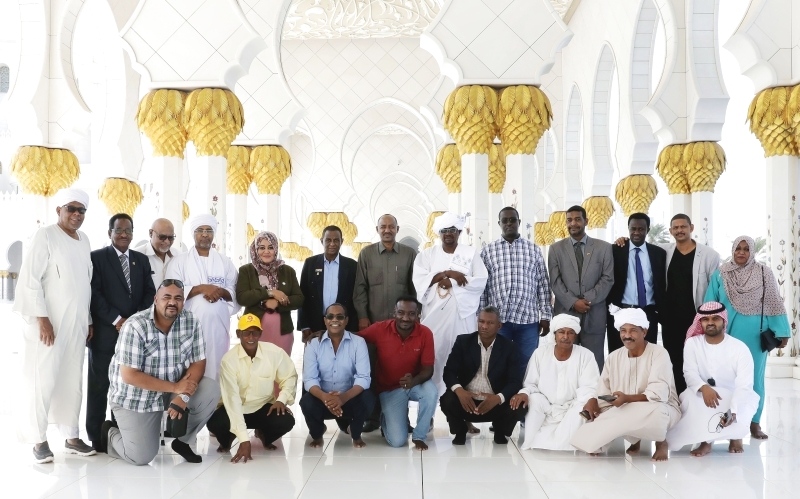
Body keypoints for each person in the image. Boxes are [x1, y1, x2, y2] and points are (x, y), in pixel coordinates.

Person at [14, 188, 96, 462]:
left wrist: (88, 320)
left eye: (81, 210)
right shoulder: (45, 235)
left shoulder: (84, 240)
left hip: (76, 325)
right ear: (59, 210)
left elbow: (84, 284)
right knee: (42, 379)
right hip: (48, 325)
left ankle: (71, 436)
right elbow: (30, 280)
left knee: (72, 380)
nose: (76, 214)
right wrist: (42, 318)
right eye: (71, 208)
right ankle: (38, 440)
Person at [103, 279, 220, 465]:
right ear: (155, 299)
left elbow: (198, 362)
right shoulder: (135, 325)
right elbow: (129, 375)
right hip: (136, 396)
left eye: (178, 298)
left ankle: (183, 442)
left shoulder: (191, 321)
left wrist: (183, 396)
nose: (172, 302)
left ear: (183, 301)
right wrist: (176, 388)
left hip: (172, 387)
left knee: (210, 389)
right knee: (140, 457)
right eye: (167, 297)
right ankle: (110, 434)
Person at [616, 213, 720, 394]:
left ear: (691, 228)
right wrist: (623, 240)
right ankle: (676, 398)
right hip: (670, 318)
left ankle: (697, 398)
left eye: (683, 227)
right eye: (675, 227)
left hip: (695, 318)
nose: (679, 230)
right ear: (671, 231)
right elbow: (639, 243)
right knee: (672, 360)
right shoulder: (664, 251)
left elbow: (715, 288)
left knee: (696, 359)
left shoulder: (709, 255)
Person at [704, 235, 790, 440]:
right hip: (726, 334)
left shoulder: (763, 273)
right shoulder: (721, 274)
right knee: (726, 378)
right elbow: (710, 304)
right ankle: (726, 420)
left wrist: (782, 331)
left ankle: (754, 422)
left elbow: (773, 302)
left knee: (754, 379)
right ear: (733, 250)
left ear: (752, 252)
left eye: (746, 249)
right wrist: (708, 328)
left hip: (755, 335)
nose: (741, 252)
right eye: (738, 248)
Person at [570, 306, 680, 462]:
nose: (627, 336)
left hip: (657, 406)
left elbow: (658, 394)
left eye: (633, 330)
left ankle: (661, 442)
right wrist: (593, 400)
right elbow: (603, 392)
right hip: (624, 408)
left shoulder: (659, 353)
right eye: (623, 331)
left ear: (644, 332)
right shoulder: (614, 357)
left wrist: (627, 398)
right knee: (591, 443)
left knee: (659, 413)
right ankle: (634, 438)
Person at [87, 213, 156, 451]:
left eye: (128, 230)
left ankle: (121, 434)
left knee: (126, 386)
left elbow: (150, 293)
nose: (124, 234)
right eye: (119, 230)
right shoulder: (97, 258)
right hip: (105, 333)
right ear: (110, 233)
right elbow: (94, 294)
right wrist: (117, 319)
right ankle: (96, 437)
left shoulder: (141, 260)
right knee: (99, 385)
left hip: (133, 335)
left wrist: (133, 320)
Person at [666, 302, 759, 456]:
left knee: (743, 402)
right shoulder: (692, 343)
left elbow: (745, 384)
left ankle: (735, 436)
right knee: (688, 398)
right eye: (705, 319)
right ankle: (706, 441)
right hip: (704, 393)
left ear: (723, 320)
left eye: (715, 318)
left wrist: (733, 410)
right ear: (700, 321)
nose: (710, 322)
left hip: (732, 395)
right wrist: (703, 388)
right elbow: (689, 373)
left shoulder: (739, 347)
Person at [413, 212, 487, 395]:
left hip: (462, 316)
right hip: (435, 316)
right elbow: (419, 280)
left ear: (459, 232)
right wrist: (447, 274)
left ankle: (461, 403)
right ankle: (432, 400)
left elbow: (480, 281)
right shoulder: (427, 255)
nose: (448, 233)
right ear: (439, 233)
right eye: (444, 230)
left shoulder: (470, 254)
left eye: (452, 230)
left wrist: (452, 282)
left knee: (462, 355)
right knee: (435, 354)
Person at [354, 214, 416, 431]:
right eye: (383, 226)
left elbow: (414, 289)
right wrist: (362, 316)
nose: (387, 230)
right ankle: (372, 417)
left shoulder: (409, 254)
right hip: (374, 326)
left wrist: (414, 318)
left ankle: (401, 419)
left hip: (402, 328)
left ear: (397, 229)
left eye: (391, 226)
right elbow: (360, 288)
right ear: (377, 229)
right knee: (371, 370)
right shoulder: (367, 254)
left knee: (400, 371)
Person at [206, 314, 297, 463]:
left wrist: (281, 400)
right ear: (238, 334)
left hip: (262, 407)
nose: (251, 337)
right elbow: (232, 399)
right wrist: (244, 440)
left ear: (260, 333)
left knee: (286, 420)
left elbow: (290, 376)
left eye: (255, 332)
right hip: (235, 408)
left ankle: (263, 434)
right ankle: (229, 437)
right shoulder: (229, 360)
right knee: (214, 422)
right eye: (246, 332)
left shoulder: (274, 353)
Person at [480, 207, 551, 381]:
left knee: (526, 363)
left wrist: (545, 316)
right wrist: (482, 318)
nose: (509, 223)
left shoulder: (533, 250)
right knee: (497, 361)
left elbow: (543, 283)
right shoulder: (488, 251)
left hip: (528, 320)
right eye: (505, 221)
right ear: (499, 223)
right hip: (499, 321)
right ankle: (501, 395)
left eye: (513, 220)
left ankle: (523, 395)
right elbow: (483, 287)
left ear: (519, 222)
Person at [357, 296, 437, 450]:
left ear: (418, 314)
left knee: (431, 392)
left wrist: (413, 381)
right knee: (397, 441)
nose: (405, 318)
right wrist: (327, 333)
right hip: (389, 389)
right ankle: (385, 418)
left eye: (411, 314)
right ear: (394, 312)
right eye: (401, 312)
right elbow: (354, 337)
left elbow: (428, 370)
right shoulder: (380, 329)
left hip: (415, 383)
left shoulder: (425, 333)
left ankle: (419, 435)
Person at [510, 314, 599, 451]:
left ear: (575, 336)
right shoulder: (540, 353)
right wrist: (524, 393)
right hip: (547, 407)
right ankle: (533, 442)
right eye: (561, 332)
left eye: (570, 333)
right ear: (555, 335)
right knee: (534, 399)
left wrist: (591, 399)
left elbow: (589, 386)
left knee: (582, 405)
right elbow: (531, 383)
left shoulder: (586, 355)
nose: (565, 336)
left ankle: (562, 444)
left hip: (572, 407)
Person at [165, 214, 238, 379]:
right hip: (188, 327)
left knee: (216, 368)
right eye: (200, 230)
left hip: (218, 328)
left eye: (209, 230)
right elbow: (170, 291)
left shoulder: (225, 262)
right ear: (193, 233)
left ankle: (214, 395)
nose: (205, 234)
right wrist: (200, 289)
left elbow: (234, 290)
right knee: (189, 370)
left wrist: (220, 292)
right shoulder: (179, 261)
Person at [439, 307, 525, 445]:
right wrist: (460, 391)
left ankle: (500, 431)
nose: (484, 326)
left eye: (490, 323)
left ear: (499, 326)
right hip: (467, 402)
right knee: (446, 400)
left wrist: (498, 398)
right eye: (481, 321)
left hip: (495, 403)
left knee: (520, 405)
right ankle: (460, 431)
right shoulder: (463, 341)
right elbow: (449, 372)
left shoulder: (510, 347)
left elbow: (515, 381)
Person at [548, 205, 614, 369]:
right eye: (569, 220)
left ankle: (594, 387)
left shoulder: (604, 248)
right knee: (565, 363)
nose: (573, 223)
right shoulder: (556, 249)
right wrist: (573, 302)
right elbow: (555, 281)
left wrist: (587, 300)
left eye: (578, 219)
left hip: (594, 314)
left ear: (586, 221)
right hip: (565, 314)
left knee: (594, 362)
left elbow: (608, 279)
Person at [300, 304, 375, 448]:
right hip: (323, 399)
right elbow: (310, 379)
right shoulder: (313, 343)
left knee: (368, 398)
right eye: (330, 316)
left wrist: (342, 398)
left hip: (349, 397)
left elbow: (363, 378)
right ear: (325, 320)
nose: (335, 320)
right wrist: (326, 397)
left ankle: (355, 432)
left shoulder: (358, 342)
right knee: (307, 402)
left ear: (346, 320)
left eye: (340, 317)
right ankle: (318, 433)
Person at [236, 231, 303, 355]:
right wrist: (270, 293)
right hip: (253, 332)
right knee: (255, 365)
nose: (266, 251)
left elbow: (299, 299)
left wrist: (278, 303)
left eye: (270, 247)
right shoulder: (246, 271)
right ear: (256, 249)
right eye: (262, 248)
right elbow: (242, 297)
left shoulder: (288, 271)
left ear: (276, 249)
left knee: (281, 365)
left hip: (282, 333)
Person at [606, 213, 666, 351]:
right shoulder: (616, 250)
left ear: (648, 230)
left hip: (648, 312)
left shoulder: (658, 253)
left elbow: (661, 284)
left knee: (647, 354)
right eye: (633, 229)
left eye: (641, 229)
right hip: (621, 311)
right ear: (628, 229)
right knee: (619, 355)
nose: (636, 232)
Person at [298, 225, 358, 341]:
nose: (332, 244)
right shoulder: (310, 263)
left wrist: (354, 326)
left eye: (336, 240)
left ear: (342, 242)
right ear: (322, 241)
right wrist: (304, 325)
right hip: (315, 324)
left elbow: (355, 297)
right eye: (328, 240)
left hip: (342, 324)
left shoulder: (352, 266)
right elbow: (302, 295)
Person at [134, 218, 181, 289]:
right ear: (151, 233)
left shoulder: (178, 256)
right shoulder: (136, 256)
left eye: (170, 238)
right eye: (162, 237)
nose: (167, 241)